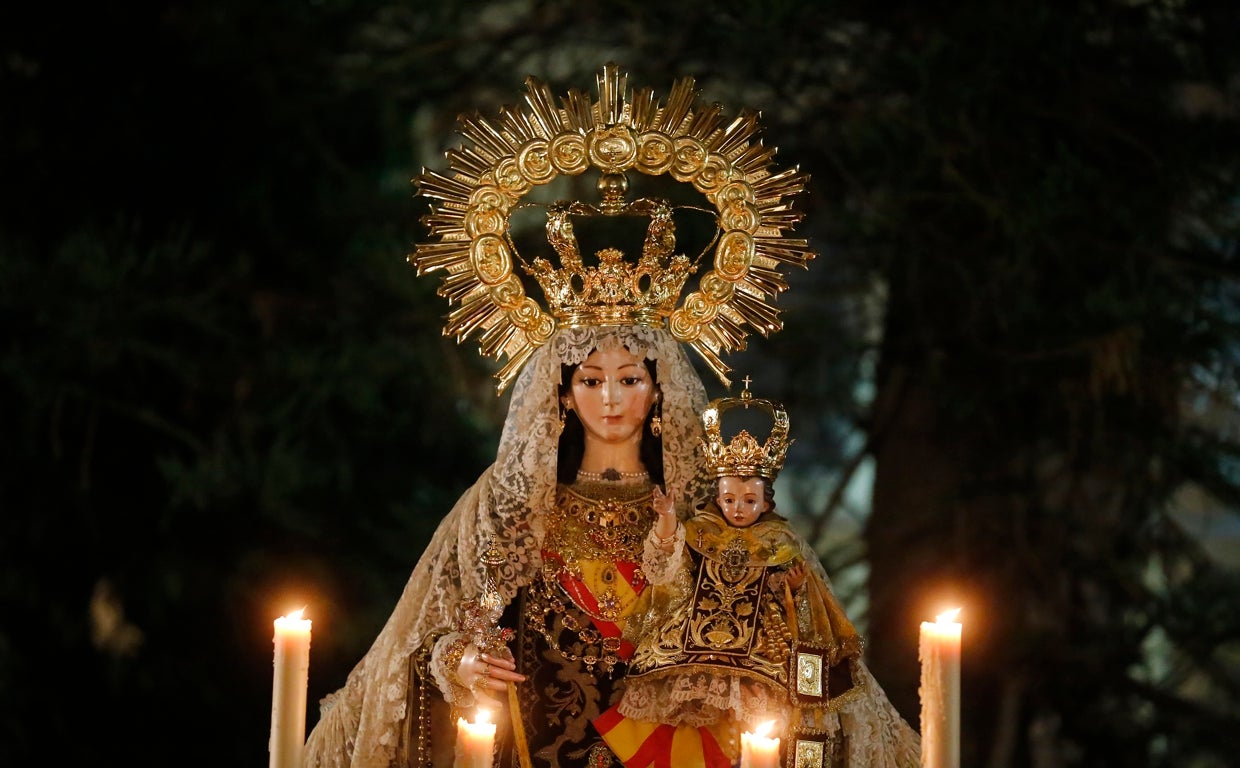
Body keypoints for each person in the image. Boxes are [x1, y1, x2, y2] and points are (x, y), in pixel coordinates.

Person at [596, 385, 922, 768]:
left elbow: (804, 603)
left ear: (766, 502)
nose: (737, 509)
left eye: (749, 501)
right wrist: (668, 520)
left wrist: (794, 590)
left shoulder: (780, 541)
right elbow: (670, 570)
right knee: (693, 718)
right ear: (717, 496)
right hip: (692, 640)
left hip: (761, 649)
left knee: (761, 721)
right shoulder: (700, 532)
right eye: (729, 499)